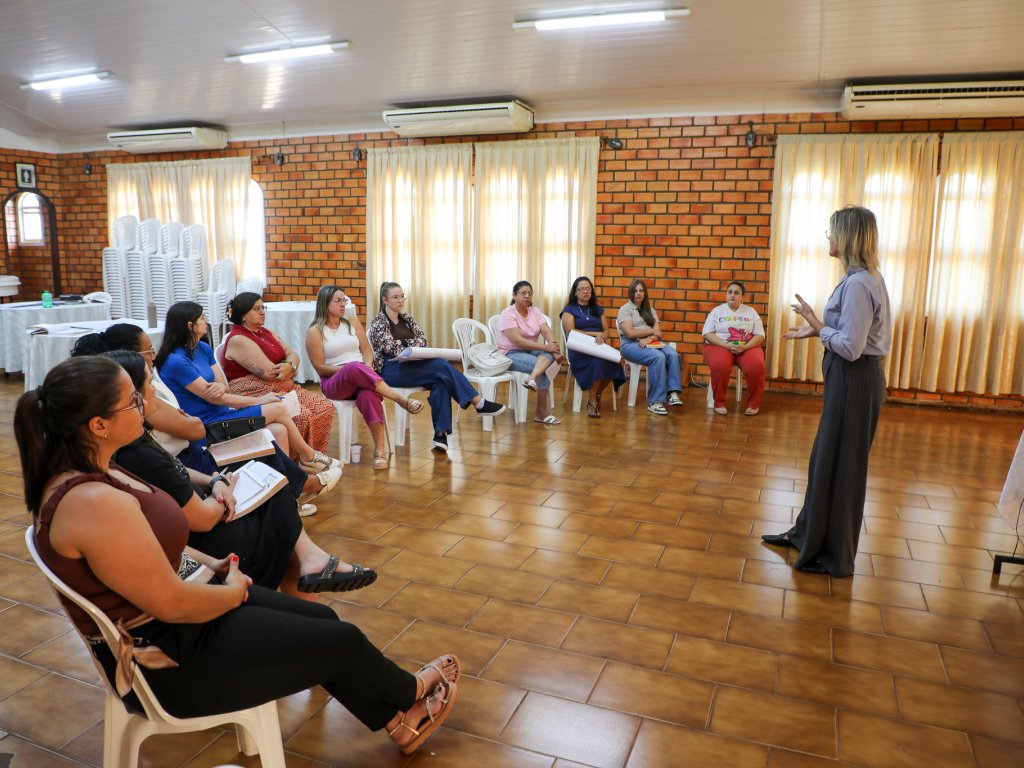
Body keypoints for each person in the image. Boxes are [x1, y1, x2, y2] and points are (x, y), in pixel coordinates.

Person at [16, 355, 459, 754]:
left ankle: (401, 720)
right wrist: (232, 590)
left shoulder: (100, 468)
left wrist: (215, 567)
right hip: (172, 663)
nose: (145, 405)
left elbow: (156, 555)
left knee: (325, 622)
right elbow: (169, 602)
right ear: (98, 424)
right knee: (340, 643)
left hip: (181, 626)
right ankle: (408, 697)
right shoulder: (92, 502)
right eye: (134, 401)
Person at [106, 350, 374, 597]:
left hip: (202, 486)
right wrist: (225, 493)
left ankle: (310, 559)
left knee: (275, 490)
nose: (155, 388)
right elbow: (201, 515)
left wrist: (215, 481)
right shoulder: (136, 452)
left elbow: (177, 463)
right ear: (133, 398)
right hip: (204, 533)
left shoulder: (136, 442)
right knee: (277, 503)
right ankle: (309, 550)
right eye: (150, 382)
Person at [71, 324, 338, 514]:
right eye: (147, 351)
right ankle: (304, 475)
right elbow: (197, 427)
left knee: (283, 421)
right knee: (273, 425)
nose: (205, 322)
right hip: (203, 436)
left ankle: (297, 486)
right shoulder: (158, 379)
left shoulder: (199, 350)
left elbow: (221, 387)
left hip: (208, 423)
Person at [761, 206, 892, 577]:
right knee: (825, 459)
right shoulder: (858, 279)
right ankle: (808, 533)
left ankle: (835, 557)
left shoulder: (860, 284)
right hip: (850, 378)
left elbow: (851, 348)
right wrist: (816, 329)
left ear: (848, 237)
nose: (828, 238)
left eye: (832, 232)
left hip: (856, 378)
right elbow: (849, 335)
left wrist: (818, 325)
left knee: (845, 467)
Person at [155, 301, 338, 473]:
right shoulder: (176, 361)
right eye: (202, 318)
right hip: (207, 425)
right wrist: (259, 400)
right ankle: (309, 456)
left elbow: (223, 387)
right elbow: (216, 396)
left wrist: (218, 389)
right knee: (279, 409)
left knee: (280, 430)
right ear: (190, 325)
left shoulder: (203, 348)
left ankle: (289, 491)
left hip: (223, 412)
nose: (206, 321)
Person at [368, 282, 505, 453]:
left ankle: (440, 434)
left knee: (440, 382)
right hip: (391, 370)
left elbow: (423, 341)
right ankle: (477, 401)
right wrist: (408, 344)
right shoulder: (379, 322)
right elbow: (391, 349)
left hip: (413, 365)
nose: (400, 300)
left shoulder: (407, 319)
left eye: (402, 296)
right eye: (395, 297)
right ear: (385, 300)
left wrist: (404, 344)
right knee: (440, 365)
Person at [306, 285, 424, 470]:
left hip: (361, 375)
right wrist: (349, 370)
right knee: (354, 367)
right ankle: (400, 399)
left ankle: (380, 452)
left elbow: (367, 352)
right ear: (324, 303)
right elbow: (320, 367)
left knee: (368, 395)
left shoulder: (352, 323)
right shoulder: (315, 331)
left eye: (344, 300)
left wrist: (367, 368)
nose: (343, 304)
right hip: (334, 381)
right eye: (338, 301)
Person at [222, 292, 335, 457]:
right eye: (256, 309)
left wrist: (289, 366)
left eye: (263, 308)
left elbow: (292, 354)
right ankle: (297, 466)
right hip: (255, 391)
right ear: (243, 315)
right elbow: (271, 373)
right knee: (302, 417)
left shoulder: (265, 332)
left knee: (325, 408)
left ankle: (313, 459)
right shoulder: (238, 339)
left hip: (282, 386)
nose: (262, 312)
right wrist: (290, 367)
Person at [497, 280, 563, 425]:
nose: (527, 296)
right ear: (514, 295)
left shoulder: (535, 311)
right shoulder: (508, 313)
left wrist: (555, 348)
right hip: (510, 353)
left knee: (548, 356)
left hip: (529, 351)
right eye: (523, 293)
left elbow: (546, 331)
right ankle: (541, 412)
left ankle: (531, 378)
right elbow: (517, 341)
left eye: (530, 293)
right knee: (543, 368)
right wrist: (546, 348)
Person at [559, 276, 626, 418]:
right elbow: (571, 331)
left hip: (597, 346)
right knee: (597, 362)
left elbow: (606, 330)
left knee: (617, 360)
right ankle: (592, 401)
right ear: (575, 292)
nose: (585, 291)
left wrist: (603, 336)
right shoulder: (569, 309)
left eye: (588, 288)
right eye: (581, 289)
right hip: (579, 348)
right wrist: (594, 333)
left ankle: (596, 393)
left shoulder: (598, 308)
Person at [616, 279, 683, 415]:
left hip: (650, 342)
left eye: (641, 290)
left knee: (673, 354)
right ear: (631, 292)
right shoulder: (625, 309)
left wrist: (649, 338)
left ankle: (672, 393)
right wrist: (651, 332)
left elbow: (658, 331)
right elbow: (630, 332)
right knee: (658, 357)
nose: (638, 293)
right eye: (635, 291)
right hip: (630, 344)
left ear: (645, 292)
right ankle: (655, 402)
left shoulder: (649, 309)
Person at [701, 281, 766, 416]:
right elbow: (707, 333)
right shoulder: (717, 311)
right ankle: (719, 402)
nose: (732, 295)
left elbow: (760, 335)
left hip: (747, 346)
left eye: (736, 293)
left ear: (742, 296)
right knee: (720, 365)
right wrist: (727, 345)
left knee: (756, 365)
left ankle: (754, 404)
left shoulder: (751, 312)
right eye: (729, 292)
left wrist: (745, 346)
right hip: (719, 345)